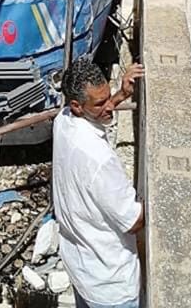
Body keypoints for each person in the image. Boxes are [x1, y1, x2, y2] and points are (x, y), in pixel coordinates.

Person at [53, 57, 145, 308]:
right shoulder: (99, 159)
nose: (109, 107)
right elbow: (133, 221)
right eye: (100, 103)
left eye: (107, 98)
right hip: (112, 287)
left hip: (81, 268)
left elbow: (95, 112)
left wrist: (120, 95)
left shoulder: (62, 122)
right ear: (77, 105)